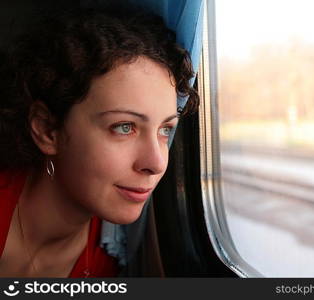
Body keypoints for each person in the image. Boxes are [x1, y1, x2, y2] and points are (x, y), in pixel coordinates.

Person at [0, 5, 198, 278]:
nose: (157, 162)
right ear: (47, 130)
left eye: (165, 130)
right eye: (125, 127)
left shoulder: (112, 252)